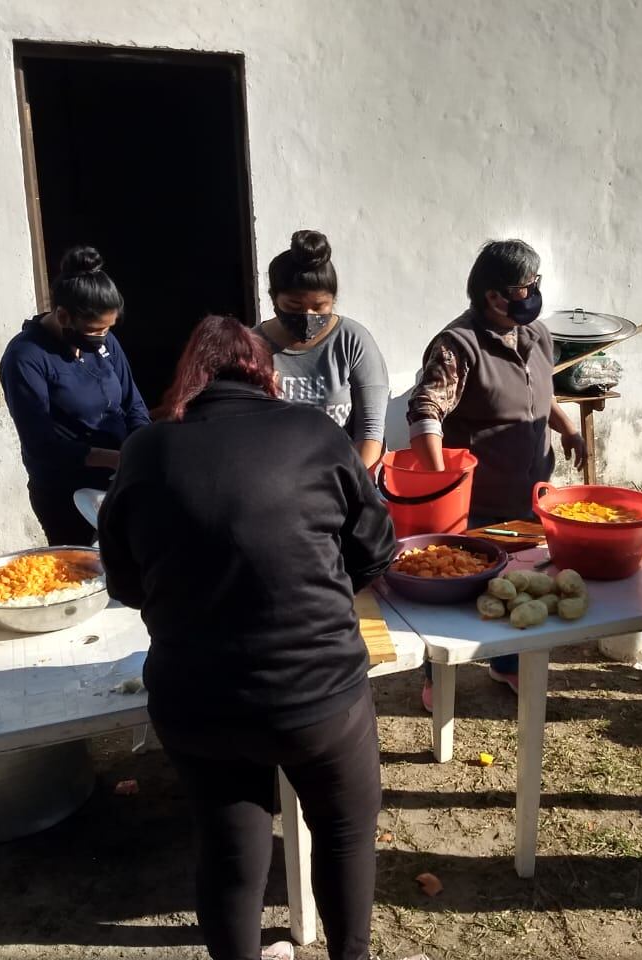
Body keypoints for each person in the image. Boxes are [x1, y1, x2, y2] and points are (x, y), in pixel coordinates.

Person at [97, 315, 395, 960]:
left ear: (190, 381)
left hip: (198, 702)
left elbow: (122, 577)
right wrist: (312, 582)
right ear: (265, 374)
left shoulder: (147, 449)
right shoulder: (317, 435)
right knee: (344, 836)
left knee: (230, 854)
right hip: (319, 697)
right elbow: (375, 551)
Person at [406, 239, 587, 707]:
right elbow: (426, 411)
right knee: (455, 596)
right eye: (526, 287)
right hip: (475, 502)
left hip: (528, 495)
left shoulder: (537, 335)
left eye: (536, 284)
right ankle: (436, 678)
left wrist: (567, 429)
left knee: (517, 585)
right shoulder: (457, 345)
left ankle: (506, 663)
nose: (535, 293)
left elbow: (540, 392)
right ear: (494, 296)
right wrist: (439, 483)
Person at [0, 246, 150, 546]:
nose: (103, 336)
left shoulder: (106, 344)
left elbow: (133, 403)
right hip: (64, 493)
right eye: (96, 329)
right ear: (64, 316)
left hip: (118, 481)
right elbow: (41, 445)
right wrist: (114, 459)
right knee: (85, 573)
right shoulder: (26, 357)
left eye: (109, 328)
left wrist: (142, 448)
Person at [253, 230, 390, 469]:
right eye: (294, 305)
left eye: (320, 306)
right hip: (275, 478)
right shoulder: (251, 346)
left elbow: (371, 429)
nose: (308, 315)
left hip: (344, 477)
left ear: (333, 301)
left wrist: (353, 486)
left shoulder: (353, 340)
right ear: (274, 298)